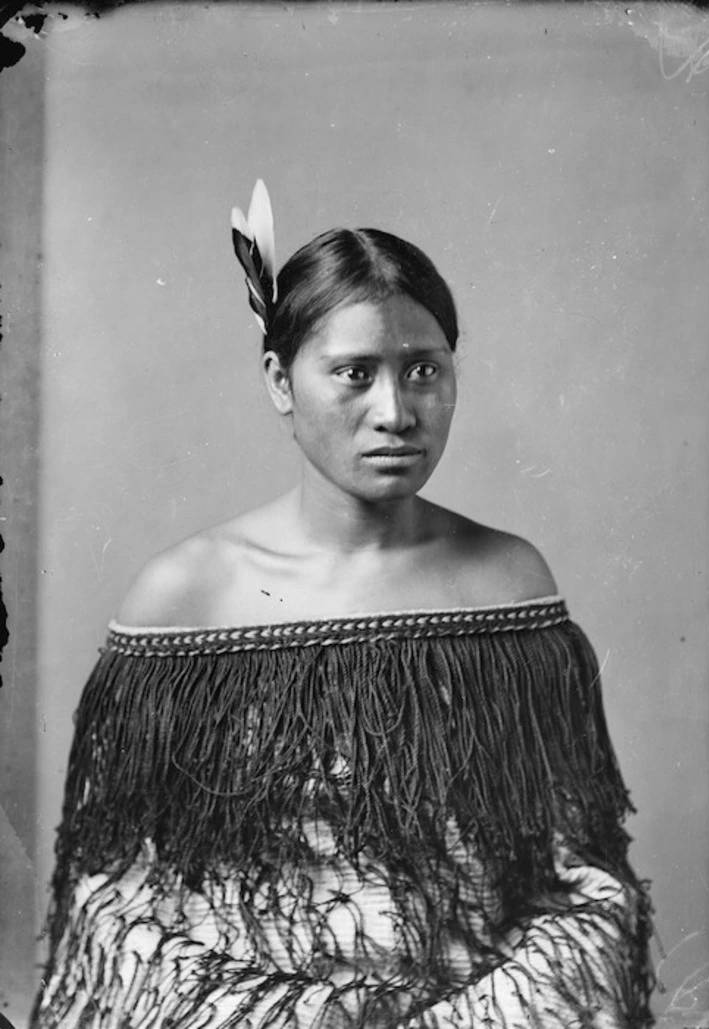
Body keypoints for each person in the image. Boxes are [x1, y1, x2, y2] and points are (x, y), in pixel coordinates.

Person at [32, 181, 654, 1029]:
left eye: (423, 370)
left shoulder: (506, 582)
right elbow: (115, 905)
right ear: (281, 382)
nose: (395, 412)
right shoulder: (186, 595)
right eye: (354, 374)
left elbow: (582, 880)